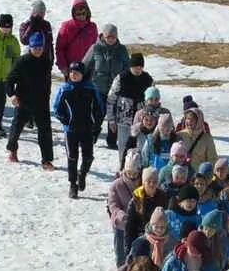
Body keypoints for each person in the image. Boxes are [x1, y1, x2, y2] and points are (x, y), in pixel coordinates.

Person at [54, 60, 104, 197]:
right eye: (71, 72)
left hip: (87, 128)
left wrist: (96, 123)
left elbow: (99, 108)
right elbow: (57, 109)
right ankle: (72, 185)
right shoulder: (65, 89)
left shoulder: (91, 89)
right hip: (70, 130)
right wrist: (66, 121)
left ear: (83, 74)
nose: (74, 75)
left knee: (88, 156)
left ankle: (82, 174)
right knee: (72, 157)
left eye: (77, 73)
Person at [8, 28, 55, 166]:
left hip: (41, 101)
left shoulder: (46, 61)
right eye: (35, 47)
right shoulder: (22, 61)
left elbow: (47, 81)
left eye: (40, 47)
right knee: (17, 126)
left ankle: (46, 160)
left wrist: (47, 95)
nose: (38, 50)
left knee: (45, 130)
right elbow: (10, 80)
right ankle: (12, 150)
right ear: (30, 47)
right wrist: (12, 95)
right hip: (24, 100)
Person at [87, 22, 129, 119]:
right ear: (103, 36)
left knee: (113, 118)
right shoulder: (96, 48)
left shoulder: (122, 49)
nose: (111, 39)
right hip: (98, 88)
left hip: (116, 89)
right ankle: (93, 133)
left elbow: (127, 67)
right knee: (98, 116)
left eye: (113, 37)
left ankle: (112, 134)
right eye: (108, 37)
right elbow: (85, 65)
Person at [112, 59, 154, 153]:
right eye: (135, 67)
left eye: (140, 67)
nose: (138, 70)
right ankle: (122, 165)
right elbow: (111, 99)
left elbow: (153, 98)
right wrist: (111, 119)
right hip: (124, 119)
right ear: (131, 66)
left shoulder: (148, 79)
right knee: (123, 145)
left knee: (140, 146)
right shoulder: (121, 78)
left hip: (142, 120)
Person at [55, 0, 100, 81]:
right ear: (73, 14)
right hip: (72, 69)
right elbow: (60, 48)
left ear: (87, 12)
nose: (81, 16)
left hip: (87, 69)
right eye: (78, 14)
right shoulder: (67, 26)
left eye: (83, 13)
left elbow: (95, 48)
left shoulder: (92, 27)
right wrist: (63, 66)